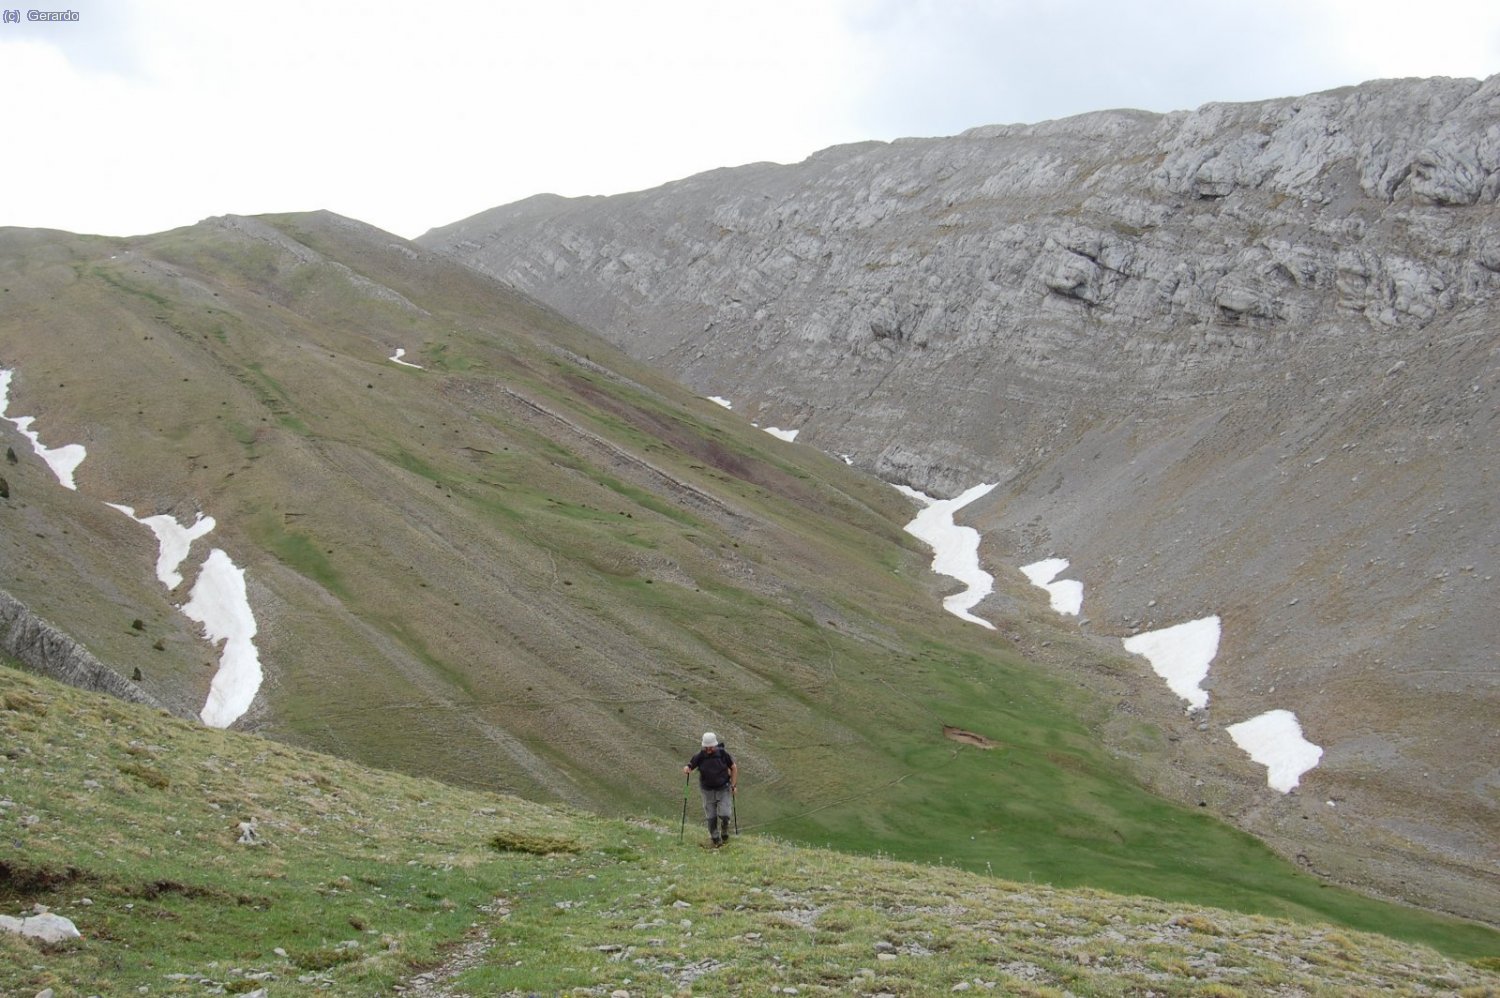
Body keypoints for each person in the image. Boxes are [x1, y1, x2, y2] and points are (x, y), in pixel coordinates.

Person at [683, 731, 736, 847]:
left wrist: (733, 785)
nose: (708, 750)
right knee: (711, 816)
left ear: (715, 745)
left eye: (710, 747)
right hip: (707, 791)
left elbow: (733, 767)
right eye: (706, 747)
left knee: (725, 814)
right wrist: (687, 768)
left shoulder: (723, 754)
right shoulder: (700, 755)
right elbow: (691, 765)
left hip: (723, 788)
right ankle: (715, 838)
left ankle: (725, 830)